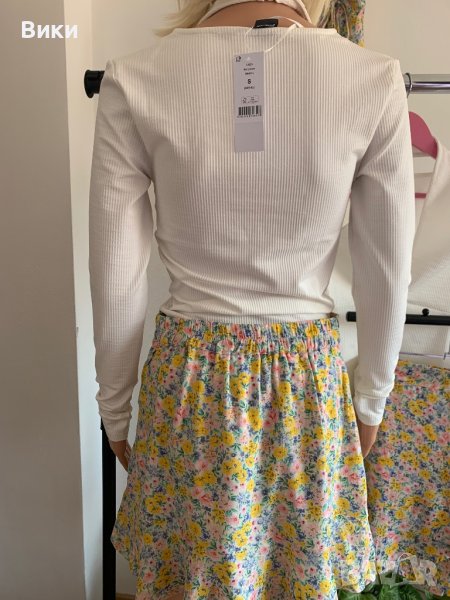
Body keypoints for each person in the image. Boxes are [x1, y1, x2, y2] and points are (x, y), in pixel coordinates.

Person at [89, 1, 416, 597]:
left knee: (192, 580)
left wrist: (115, 406)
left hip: (189, 384)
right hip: (307, 386)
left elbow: (116, 272)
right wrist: (371, 401)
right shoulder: (371, 78)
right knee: (300, 579)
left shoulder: (136, 77)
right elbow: (386, 269)